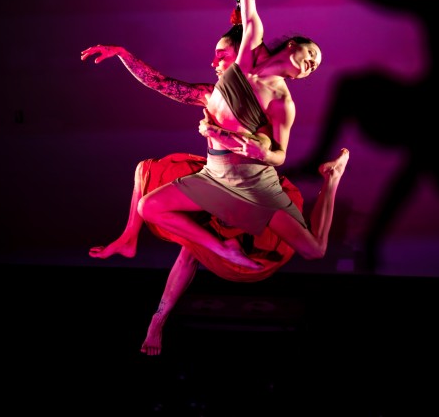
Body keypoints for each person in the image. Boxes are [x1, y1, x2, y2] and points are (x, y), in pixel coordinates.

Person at [135, 0, 349, 276]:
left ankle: (332, 179)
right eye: (312, 55)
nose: (313, 65)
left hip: (254, 185)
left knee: (315, 250)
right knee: (149, 206)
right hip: (215, 176)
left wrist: (255, 149)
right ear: (295, 44)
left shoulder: (283, 100)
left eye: (316, 67)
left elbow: (279, 155)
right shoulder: (250, 43)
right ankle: (224, 248)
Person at [82, 25, 304, 355]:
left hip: (245, 192)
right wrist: (124, 55)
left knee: (190, 247)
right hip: (213, 179)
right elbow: (161, 84)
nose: (214, 61)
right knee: (147, 172)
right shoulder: (211, 94)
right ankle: (130, 239)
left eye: (222, 55)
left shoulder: (269, 98)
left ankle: (158, 319)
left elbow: (272, 152)